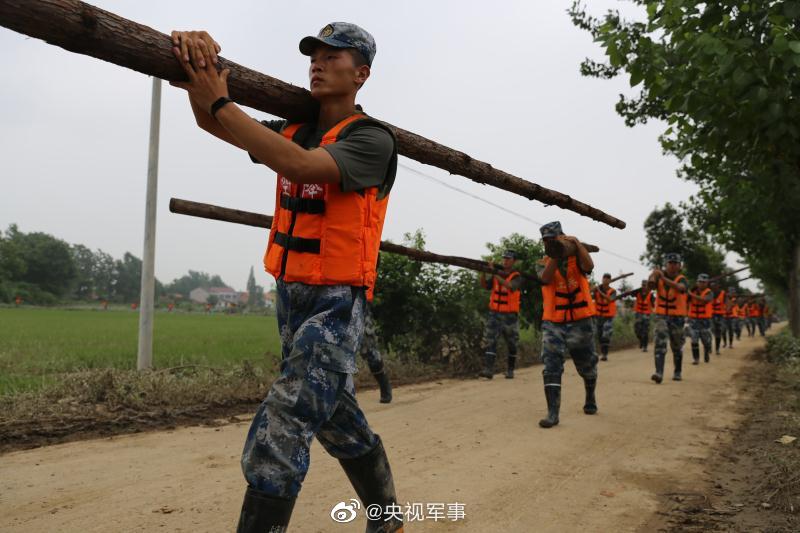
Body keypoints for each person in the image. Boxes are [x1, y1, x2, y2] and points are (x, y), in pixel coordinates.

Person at [169, 23, 403, 531]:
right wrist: (199, 69)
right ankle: (389, 519)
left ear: (361, 73)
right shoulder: (295, 127)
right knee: (336, 417)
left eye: (333, 56)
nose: (317, 62)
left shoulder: (372, 139)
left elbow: (299, 166)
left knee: (287, 419)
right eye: (314, 54)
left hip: (338, 301)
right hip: (291, 295)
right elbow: (215, 124)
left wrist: (221, 102)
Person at [536, 221, 598, 428]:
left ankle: (590, 396)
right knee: (551, 365)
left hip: (580, 320)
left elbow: (589, 266)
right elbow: (545, 279)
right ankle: (552, 413)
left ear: (562, 236)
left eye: (553, 239)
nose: (549, 243)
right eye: (545, 241)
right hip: (553, 322)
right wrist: (555, 255)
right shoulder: (542, 262)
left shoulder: (576, 256)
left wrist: (577, 244)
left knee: (587, 364)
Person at [478, 250, 522, 379]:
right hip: (495, 313)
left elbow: (509, 286)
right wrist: (484, 273)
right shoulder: (497, 273)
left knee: (512, 343)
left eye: (508, 259)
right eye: (504, 258)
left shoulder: (517, 276)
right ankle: (488, 370)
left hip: (510, 316)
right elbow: (485, 286)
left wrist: (494, 273)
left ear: (514, 261)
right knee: (491, 341)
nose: (505, 261)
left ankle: (510, 370)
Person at [650, 253, 688, 383]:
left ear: (679, 266)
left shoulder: (682, 279)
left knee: (676, 346)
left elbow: (680, 288)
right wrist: (653, 274)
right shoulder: (659, 276)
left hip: (677, 317)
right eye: (670, 263)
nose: (672, 265)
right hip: (661, 315)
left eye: (675, 263)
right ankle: (658, 372)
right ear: (666, 265)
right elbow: (651, 286)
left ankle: (677, 371)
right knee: (660, 340)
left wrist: (663, 278)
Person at [687, 274, 713, 364]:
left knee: (705, 340)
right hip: (693, 319)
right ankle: (696, 358)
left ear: (707, 283)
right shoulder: (692, 291)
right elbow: (685, 299)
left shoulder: (709, 292)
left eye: (704, 282)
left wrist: (691, 294)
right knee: (694, 339)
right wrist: (689, 292)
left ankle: (706, 352)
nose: (702, 284)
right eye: (700, 282)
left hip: (705, 320)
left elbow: (705, 300)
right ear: (697, 282)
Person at [592, 273, 617, 361]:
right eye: (604, 278)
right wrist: (594, 289)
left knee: (605, 335)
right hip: (598, 316)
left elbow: (610, 299)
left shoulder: (613, 291)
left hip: (608, 317)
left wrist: (599, 291)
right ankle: (602, 352)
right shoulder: (597, 290)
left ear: (610, 281)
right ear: (602, 279)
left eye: (607, 278)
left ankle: (605, 354)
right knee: (599, 336)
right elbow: (589, 293)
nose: (605, 280)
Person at [632, 280, 655, 352]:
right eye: (642, 285)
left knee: (645, 331)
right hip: (638, 314)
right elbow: (631, 294)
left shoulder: (651, 295)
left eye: (645, 285)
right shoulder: (637, 292)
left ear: (647, 286)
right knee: (637, 329)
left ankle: (645, 346)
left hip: (646, 314)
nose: (643, 286)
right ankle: (641, 340)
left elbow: (654, 304)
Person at [710, 280, 727, 354]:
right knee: (710, 331)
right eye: (712, 286)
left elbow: (727, 303)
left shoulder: (723, 293)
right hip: (711, 315)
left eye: (715, 285)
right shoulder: (709, 293)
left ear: (718, 286)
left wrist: (726, 309)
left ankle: (717, 349)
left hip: (720, 315)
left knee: (719, 332)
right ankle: (709, 347)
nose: (713, 287)